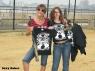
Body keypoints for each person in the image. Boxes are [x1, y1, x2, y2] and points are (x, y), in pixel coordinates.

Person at [22, 4, 52, 71]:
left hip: (46, 45)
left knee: (43, 64)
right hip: (35, 45)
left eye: (43, 10)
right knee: (25, 60)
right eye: (38, 9)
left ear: (45, 12)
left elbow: (52, 30)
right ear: (36, 10)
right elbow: (27, 34)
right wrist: (29, 30)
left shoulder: (48, 21)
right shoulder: (31, 21)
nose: (40, 11)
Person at [49, 7, 73, 71]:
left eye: (58, 12)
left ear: (60, 13)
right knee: (55, 66)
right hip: (57, 46)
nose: (56, 13)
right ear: (53, 14)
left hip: (67, 45)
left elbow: (70, 29)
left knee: (66, 65)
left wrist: (67, 24)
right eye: (55, 12)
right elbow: (46, 31)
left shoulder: (64, 21)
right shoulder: (50, 22)